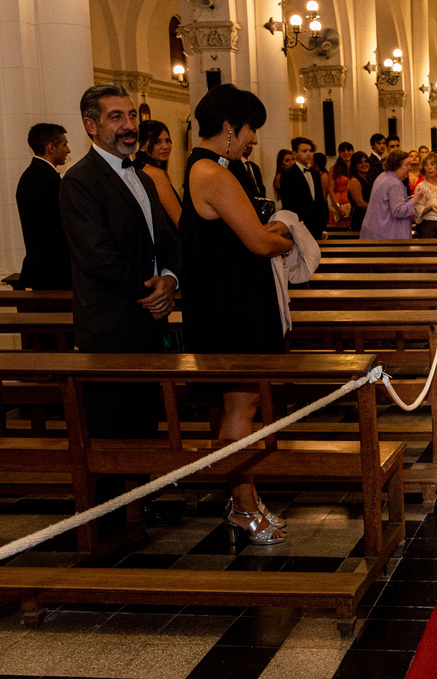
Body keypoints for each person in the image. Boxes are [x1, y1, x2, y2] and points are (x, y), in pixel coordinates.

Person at [179, 84, 294, 545]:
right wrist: (287, 233)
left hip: (224, 303)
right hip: (232, 311)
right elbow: (260, 242)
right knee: (241, 407)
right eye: (250, 130)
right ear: (229, 126)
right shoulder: (214, 173)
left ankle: (242, 498)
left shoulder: (203, 168)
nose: (252, 139)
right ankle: (244, 507)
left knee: (235, 407)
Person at [60, 84, 181, 486]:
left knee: (145, 418)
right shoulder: (79, 181)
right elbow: (97, 255)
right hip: (109, 327)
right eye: (117, 117)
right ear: (90, 125)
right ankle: (110, 512)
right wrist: (150, 293)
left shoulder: (145, 179)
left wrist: (170, 279)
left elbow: (165, 240)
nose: (130, 125)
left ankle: (142, 496)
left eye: (132, 116)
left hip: (148, 322)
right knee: (110, 427)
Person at [16, 123, 72, 290]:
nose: (68, 150)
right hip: (53, 273)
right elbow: (62, 225)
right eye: (64, 144)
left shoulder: (33, 175)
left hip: (43, 268)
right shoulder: (46, 180)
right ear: (51, 148)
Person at [134, 121, 182, 229]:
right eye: (157, 142)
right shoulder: (154, 173)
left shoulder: (140, 170)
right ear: (141, 146)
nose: (165, 146)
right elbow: (179, 220)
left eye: (167, 140)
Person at [279, 137, 328, 240]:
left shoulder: (315, 174)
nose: (309, 154)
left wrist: (324, 228)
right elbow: (288, 204)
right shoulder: (288, 174)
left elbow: (320, 201)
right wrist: (295, 228)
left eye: (310, 151)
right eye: (304, 151)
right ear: (295, 154)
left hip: (316, 228)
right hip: (299, 227)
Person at [360, 149, 416, 239]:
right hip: (386, 234)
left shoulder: (383, 176)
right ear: (396, 165)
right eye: (407, 164)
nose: (410, 168)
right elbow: (398, 211)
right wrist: (415, 200)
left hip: (374, 229)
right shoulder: (395, 183)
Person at [228, 130, 268, 200]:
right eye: (247, 143)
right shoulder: (233, 165)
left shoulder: (255, 167)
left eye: (251, 144)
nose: (249, 146)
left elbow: (260, 187)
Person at [328, 141, 353, 229]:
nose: (346, 153)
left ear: (353, 152)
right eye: (343, 151)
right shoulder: (334, 168)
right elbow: (331, 189)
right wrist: (337, 206)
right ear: (339, 153)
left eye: (349, 150)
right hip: (338, 203)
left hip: (353, 202)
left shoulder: (356, 167)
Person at [346, 151, 373, 231]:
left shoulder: (368, 179)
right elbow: (360, 204)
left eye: (366, 161)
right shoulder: (354, 181)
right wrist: (377, 210)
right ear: (355, 165)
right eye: (360, 163)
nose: (364, 164)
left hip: (369, 217)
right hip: (361, 219)